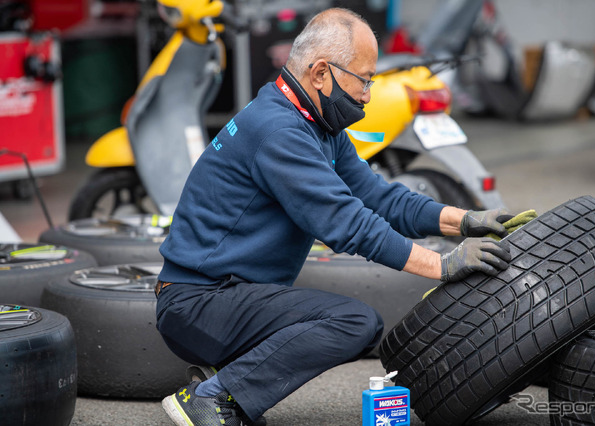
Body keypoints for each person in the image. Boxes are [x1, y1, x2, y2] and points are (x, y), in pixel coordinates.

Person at [156, 7, 512, 426]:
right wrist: (443, 264)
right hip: (199, 302)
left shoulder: (316, 124)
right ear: (321, 72)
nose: (366, 95)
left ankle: (223, 377)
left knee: (346, 315)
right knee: (354, 321)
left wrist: (465, 220)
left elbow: (377, 197)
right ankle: (211, 397)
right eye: (363, 80)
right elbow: (347, 224)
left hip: (231, 293)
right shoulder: (278, 131)